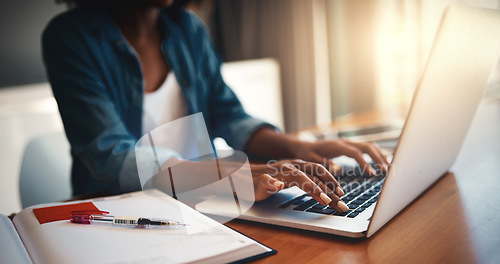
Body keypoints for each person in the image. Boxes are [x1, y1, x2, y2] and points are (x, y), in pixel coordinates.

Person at [43, 0, 389, 213]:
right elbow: (110, 156)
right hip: (122, 210)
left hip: (202, 200)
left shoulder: (188, 29)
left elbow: (228, 115)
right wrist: (229, 175)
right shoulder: (70, 37)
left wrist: (301, 147)